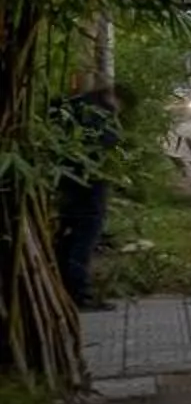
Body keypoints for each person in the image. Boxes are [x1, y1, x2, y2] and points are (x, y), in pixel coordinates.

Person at [53, 84, 123, 307]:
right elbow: (109, 141)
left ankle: (66, 286)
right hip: (90, 184)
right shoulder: (96, 113)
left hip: (66, 184)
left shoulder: (62, 109)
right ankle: (79, 292)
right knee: (83, 238)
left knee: (69, 237)